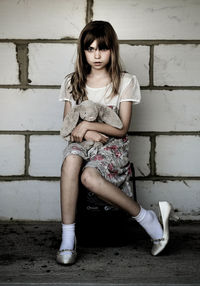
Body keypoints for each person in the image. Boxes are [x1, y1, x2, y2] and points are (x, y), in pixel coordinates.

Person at [57, 20, 172, 265]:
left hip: (112, 146)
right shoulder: (72, 81)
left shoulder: (125, 81)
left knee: (88, 177)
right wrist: (85, 133)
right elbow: (68, 127)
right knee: (70, 160)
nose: (97, 55)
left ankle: (146, 218)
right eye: (90, 49)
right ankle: (68, 237)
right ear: (83, 51)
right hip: (82, 143)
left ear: (112, 50)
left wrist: (88, 125)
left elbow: (121, 129)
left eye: (103, 48)